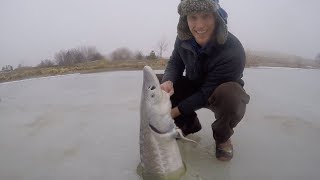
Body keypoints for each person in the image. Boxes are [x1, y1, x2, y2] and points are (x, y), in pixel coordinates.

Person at [158, 0, 250, 161]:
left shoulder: (233, 49)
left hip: (218, 93)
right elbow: (175, 63)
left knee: (232, 96)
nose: (199, 25)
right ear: (185, 19)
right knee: (159, 86)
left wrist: (173, 112)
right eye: (193, 17)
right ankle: (187, 125)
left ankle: (222, 138)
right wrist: (168, 81)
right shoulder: (182, 39)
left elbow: (206, 92)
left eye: (206, 16)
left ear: (216, 17)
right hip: (194, 85)